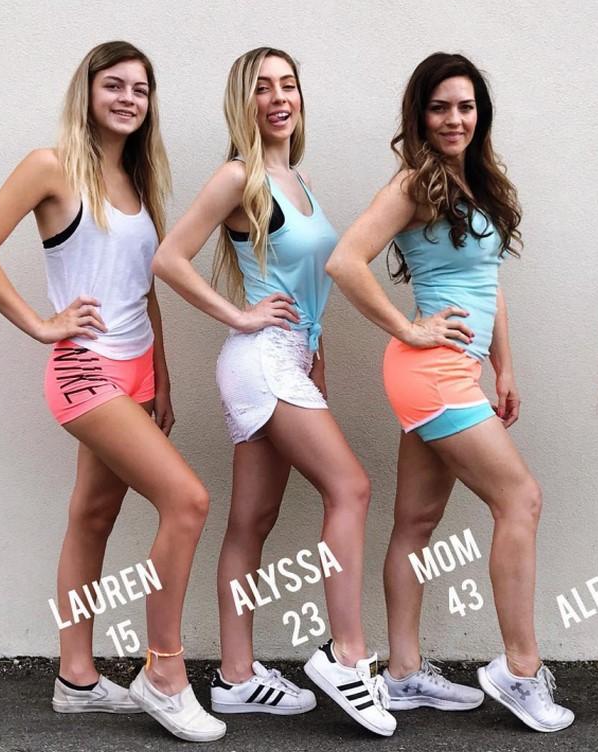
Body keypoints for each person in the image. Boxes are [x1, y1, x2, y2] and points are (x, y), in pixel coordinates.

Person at [326, 52, 574, 732]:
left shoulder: (475, 182)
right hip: (430, 373)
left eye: (465, 106)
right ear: (420, 115)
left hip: (457, 372)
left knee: (416, 523)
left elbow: (487, 285)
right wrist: (409, 326)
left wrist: (504, 367)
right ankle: (520, 670)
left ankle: (403, 674)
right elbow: (345, 261)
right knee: (520, 499)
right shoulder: (414, 183)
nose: (454, 118)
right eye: (440, 107)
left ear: (479, 114)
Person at [0, 41, 225, 742]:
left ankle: (76, 679)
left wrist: (163, 379)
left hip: (138, 371)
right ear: (86, 92)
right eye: (114, 85)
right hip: (84, 370)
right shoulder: (51, 167)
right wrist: (40, 324)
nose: (128, 98)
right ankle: (165, 673)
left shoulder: (139, 182)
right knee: (188, 500)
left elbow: (143, 291)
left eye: (140, 89)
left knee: (92, 515)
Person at [152, 46, 396, 737]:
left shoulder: (300, 180)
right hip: (261, 360)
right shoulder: (240, 176)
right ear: (245, 102)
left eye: (288, 84)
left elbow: (310, 286)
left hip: (291, 359)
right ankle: (347, 656)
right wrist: (237, 314)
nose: (279, 97)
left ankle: (235, 677)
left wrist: (317, 356)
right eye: (263, 87)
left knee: (252, 521)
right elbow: (169, 258)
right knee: (351, 488)